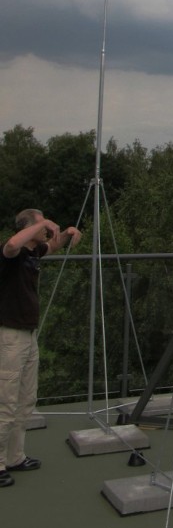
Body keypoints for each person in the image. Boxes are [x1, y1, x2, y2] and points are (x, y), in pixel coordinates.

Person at [0, 209, 82, 488]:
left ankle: (14, 457)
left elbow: (53, 245)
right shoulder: (13, 254)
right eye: (42, 222)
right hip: (10, 337)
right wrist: (43, 224)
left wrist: (69, 232)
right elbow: (11, 245)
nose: (47, 226)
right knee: (6, 402)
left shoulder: (33, 253)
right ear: (30, 228)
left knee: (25, 400)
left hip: (28, 335)